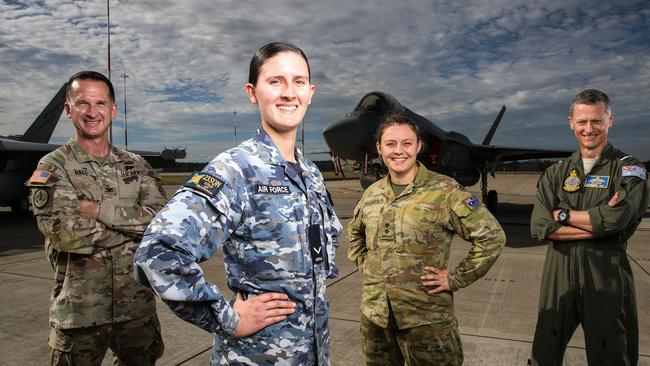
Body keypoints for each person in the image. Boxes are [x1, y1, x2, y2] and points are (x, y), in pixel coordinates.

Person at [134, 41, 342, 365]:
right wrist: (228, 318)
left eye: (298, 82)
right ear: (252, 92)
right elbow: (158, 253)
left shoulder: (312, 174)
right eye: (275, 82)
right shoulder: (235, 169)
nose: (289, 93)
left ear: (311, 92)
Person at [27, 71, 166, 365]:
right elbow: (67, 234)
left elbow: (161, 224)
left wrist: (99, 211)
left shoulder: (136, 165)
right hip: (80, 313)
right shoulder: (53, 166)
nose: (92, 112)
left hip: (136, 309)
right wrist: (133, 230)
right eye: (83, 104)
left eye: (100, 104)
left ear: (112, 110)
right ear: (68, 109)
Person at [347, 113, 506, 365]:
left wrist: (455, 278)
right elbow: (355, 234)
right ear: (379, 148)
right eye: (390, 144)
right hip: (376, 318)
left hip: (426, 320)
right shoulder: (372, 194)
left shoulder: (445, 191)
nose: (399, 151)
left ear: (419, 146)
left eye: (407, 143)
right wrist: (366, 265)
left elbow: (492, 237)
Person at [530, 89, 647, 365]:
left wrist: (562, 215)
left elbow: (618, 219)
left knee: (612, 355)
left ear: (610, 120)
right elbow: (539, 226)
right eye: (582, 122)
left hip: (605, 277)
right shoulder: (556, 172)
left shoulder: (627, 169)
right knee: (543, 354)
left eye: (596, 121)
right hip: (557, 279)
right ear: (571, 122)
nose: (588, 129)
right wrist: (598, 225)